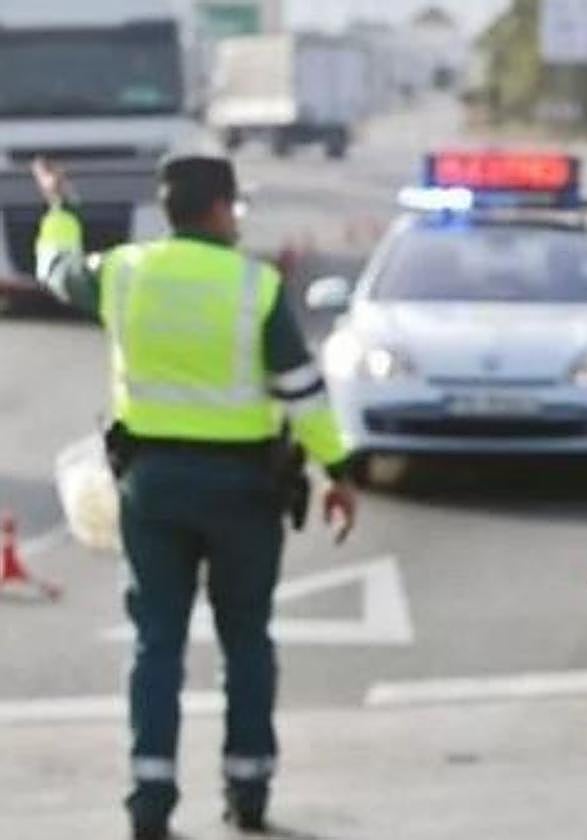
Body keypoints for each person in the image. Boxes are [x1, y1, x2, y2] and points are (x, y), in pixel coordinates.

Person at [32, 154, 358, 840]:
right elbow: (303, 393)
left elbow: (57, 272)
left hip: (150, 487)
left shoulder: (122, 272)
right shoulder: (255, 287)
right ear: (219, 209)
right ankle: (248, 789)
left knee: (156, 643)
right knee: (245, 640)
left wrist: (61, 208)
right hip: (245, 492)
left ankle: (149, 799)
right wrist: (340, 472)